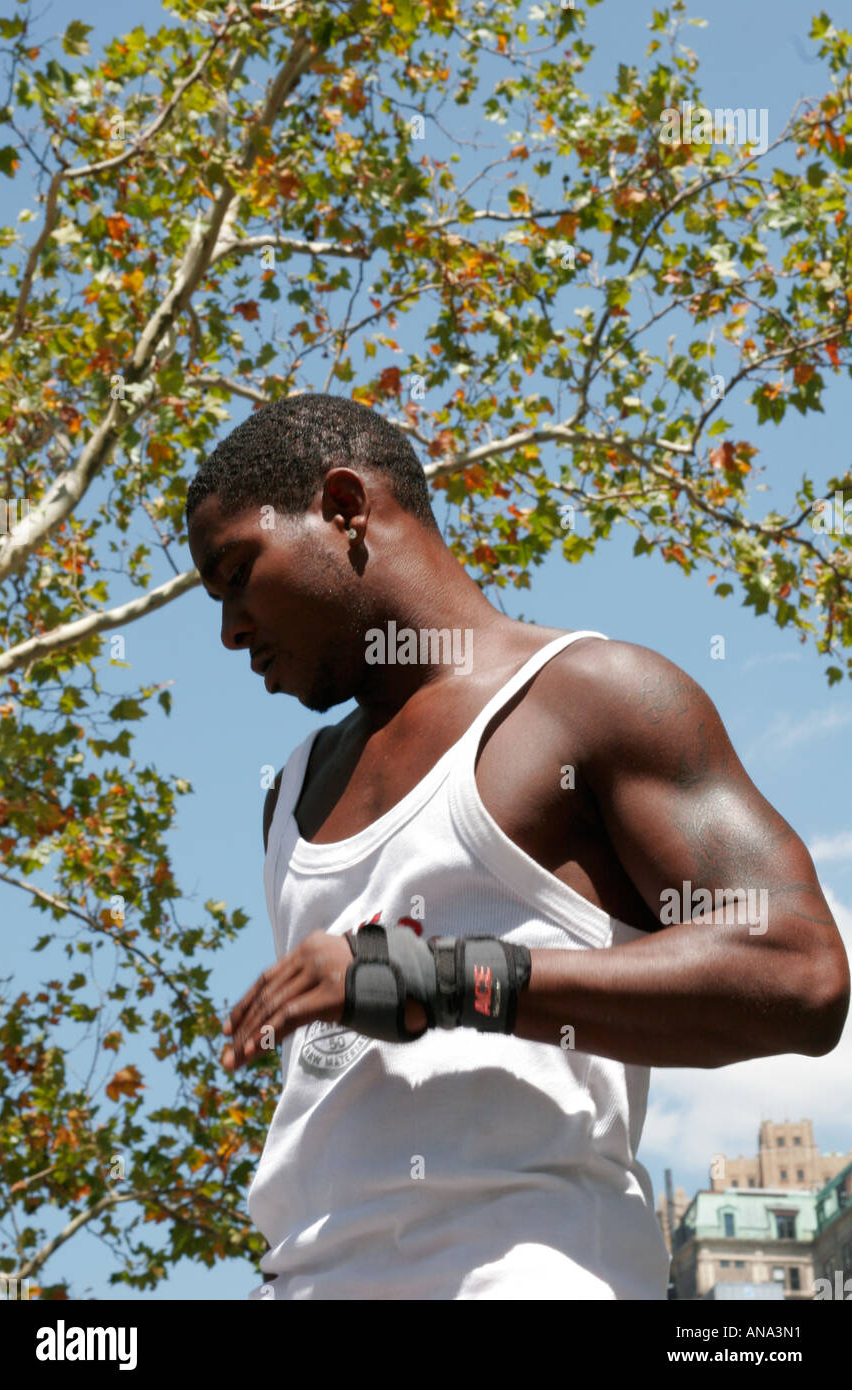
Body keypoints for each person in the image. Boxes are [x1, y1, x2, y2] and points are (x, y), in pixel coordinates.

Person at [185, 393, 849, 1301]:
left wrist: (448, 979)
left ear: (344, 508)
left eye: (235, 574)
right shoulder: (291, 794)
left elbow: (801, 973)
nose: (228, 631)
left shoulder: (591, 698)